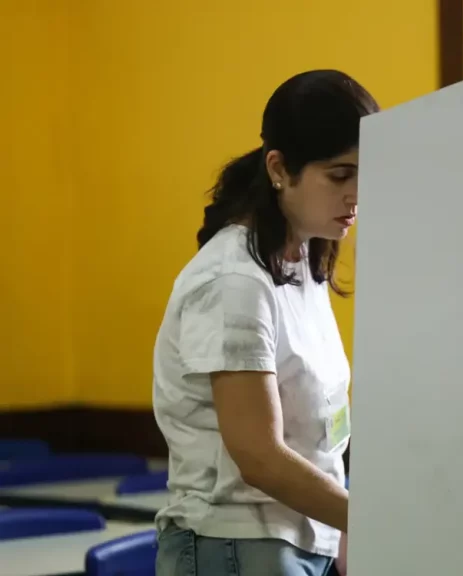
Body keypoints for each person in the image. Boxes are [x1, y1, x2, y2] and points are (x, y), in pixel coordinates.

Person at [152, 69, 379, 576]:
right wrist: (374, 520)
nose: (356, 194)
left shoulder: (303, 260)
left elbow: (317, 432)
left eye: (367, 174)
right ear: (279, 168)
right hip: (236, 544)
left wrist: (342, 533)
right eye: (340, 176)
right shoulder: (234, 279)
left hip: (297, 540)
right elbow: (259, 457)